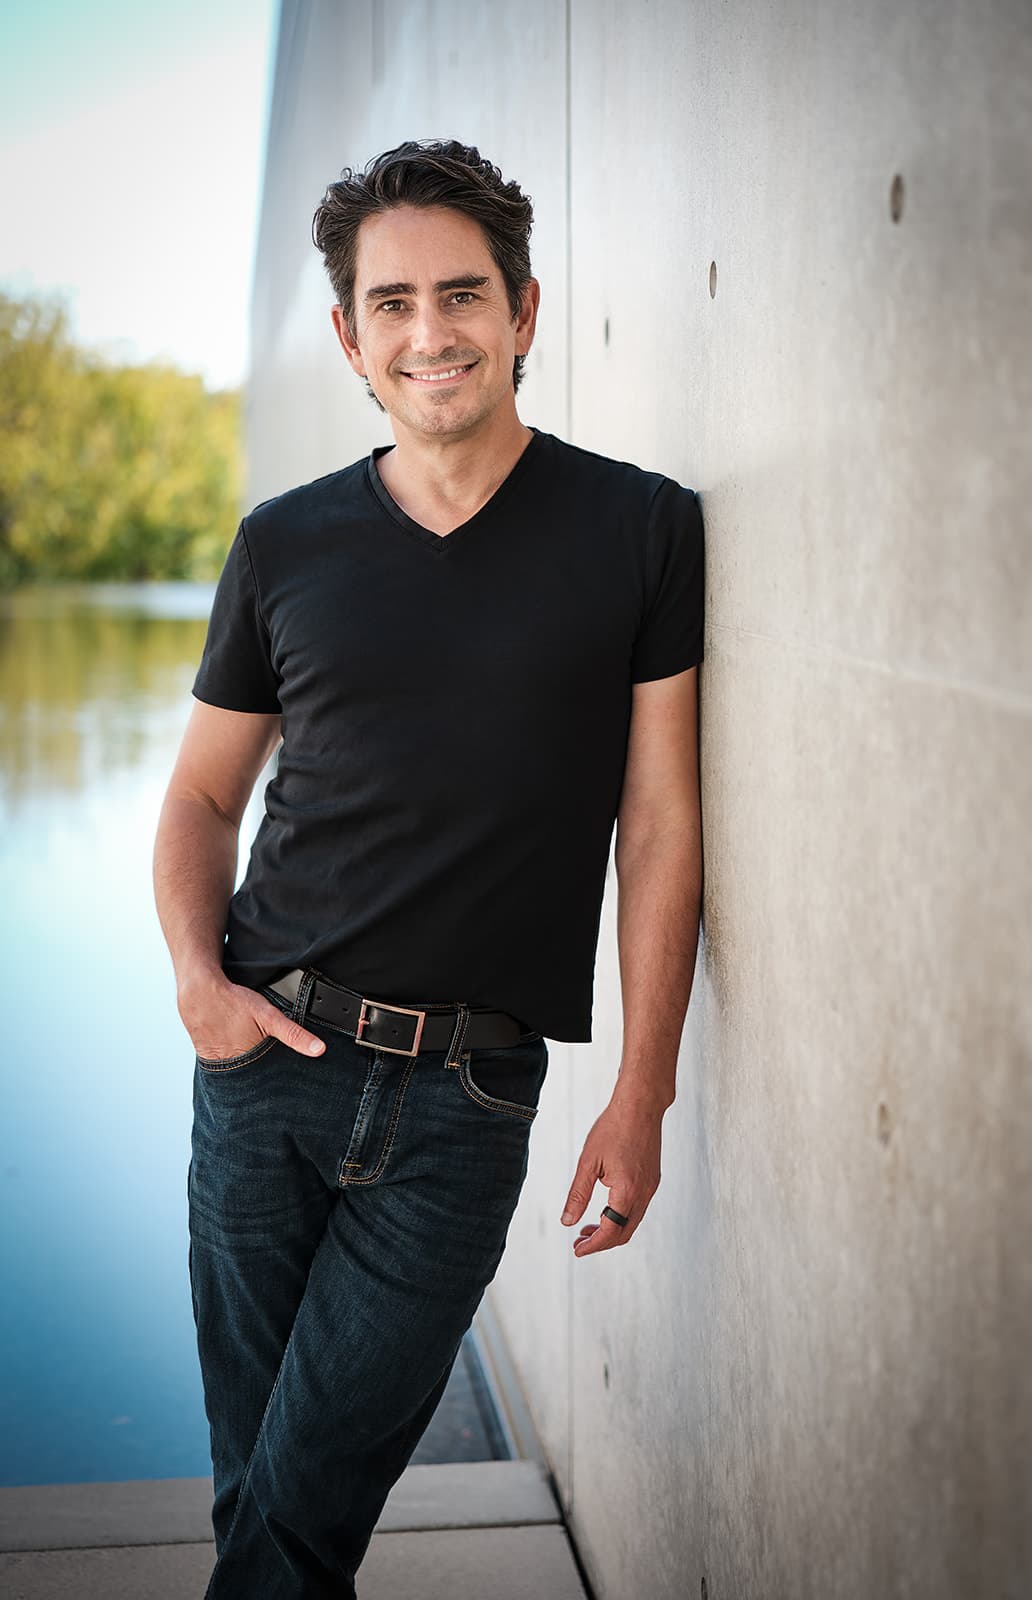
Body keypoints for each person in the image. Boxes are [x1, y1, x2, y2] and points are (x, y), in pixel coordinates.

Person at [152, 137, 705, 1598]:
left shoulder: (641, 529)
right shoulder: (285, 545)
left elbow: (657, 822)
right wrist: (200, 988)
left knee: (298, 1509)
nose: (429, 333)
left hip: (466, 1104)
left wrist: (644, 1087)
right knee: (258, 1501)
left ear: (524, 310)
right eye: (390, 304)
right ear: (350, 337)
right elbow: (205, 798)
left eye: (462, 296)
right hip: (265, 1064)